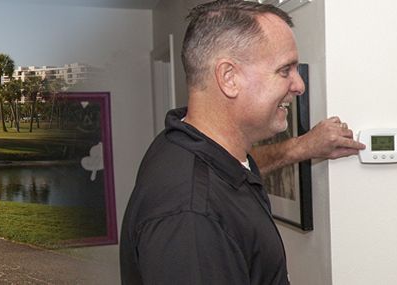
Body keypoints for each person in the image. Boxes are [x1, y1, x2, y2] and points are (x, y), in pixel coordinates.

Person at [119, 1, 361, 284]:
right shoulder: (191, 218)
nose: (299, 85)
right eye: (285, 70)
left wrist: (302, 147)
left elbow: (231, 175)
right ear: (229, 78)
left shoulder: (186, 143)